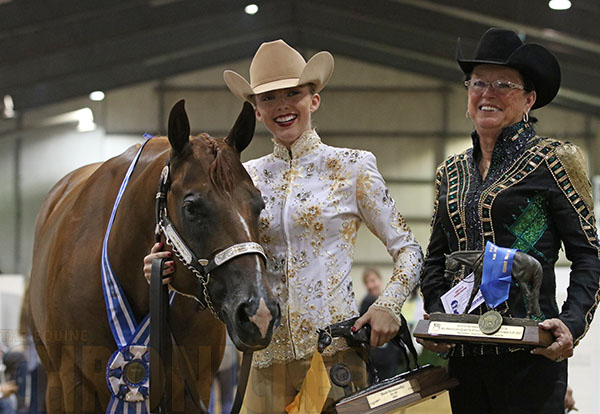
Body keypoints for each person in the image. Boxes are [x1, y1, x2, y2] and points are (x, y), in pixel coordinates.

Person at [144, 39, 423, 413]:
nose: (282, 105)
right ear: (257, 111)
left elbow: (408, 249)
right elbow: (220, 261)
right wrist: (168, 271)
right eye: (269, 98)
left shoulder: (353, 167)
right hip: (262, 362)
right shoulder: (245, 177)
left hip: (335, 357)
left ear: (314, 100)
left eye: (293, 93)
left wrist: (388, 304)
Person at [419, 28, 600, 414]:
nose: (488, 93)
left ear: (529, 99)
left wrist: (571, 323)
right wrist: (438, 318)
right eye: (478, 83)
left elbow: (589, 255)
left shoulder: (555, 160)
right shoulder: (450, 172)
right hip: (464, 360)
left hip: (531, 356)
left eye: (503, 84)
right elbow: (435, 259)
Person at [359, 268, 409, 379]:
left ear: (380, 280)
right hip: (377, 355)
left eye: (373, 281)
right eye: (367, 282)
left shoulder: (387, 300)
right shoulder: (367, 302)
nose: (370, 285)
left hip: (391, 353)